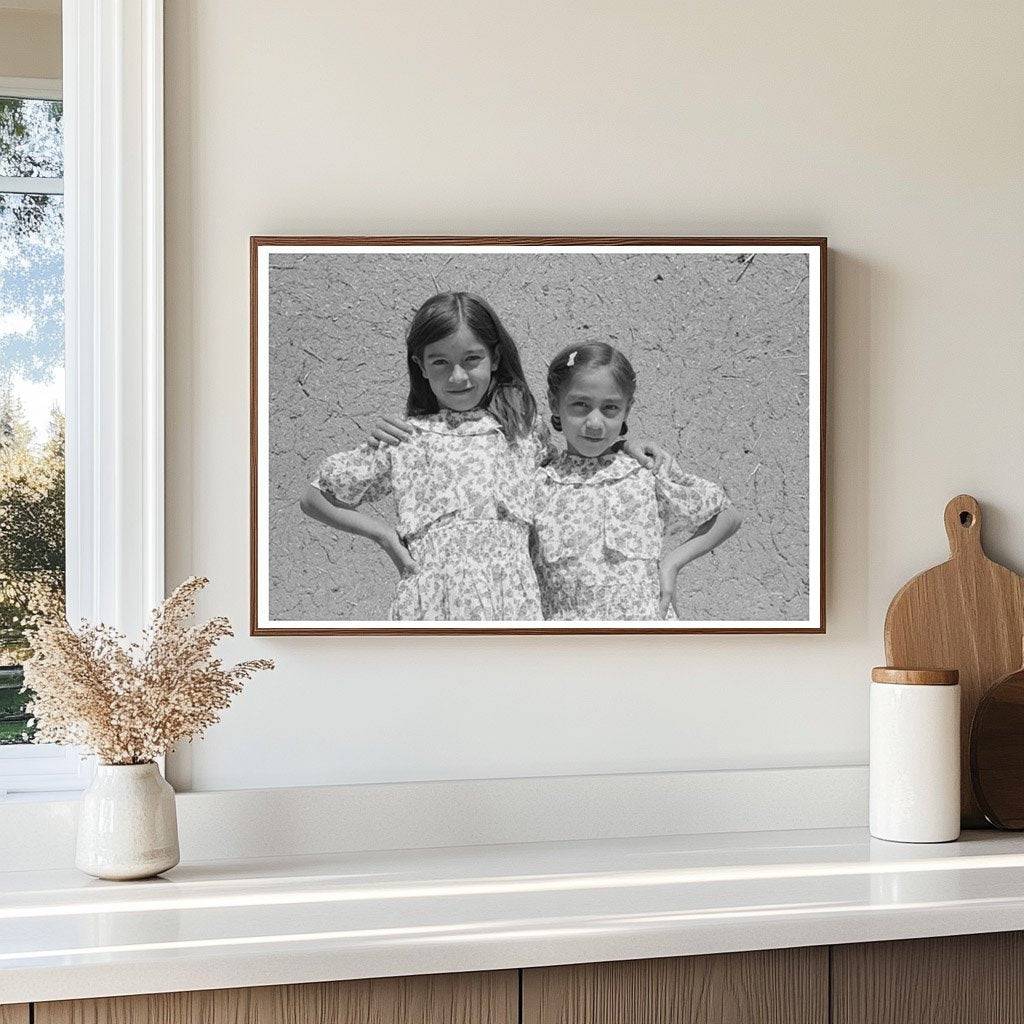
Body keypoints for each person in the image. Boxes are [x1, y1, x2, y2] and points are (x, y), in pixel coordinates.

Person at [299, 291, 546, 621]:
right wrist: (384, 536)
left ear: (495, 358)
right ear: (422, 366)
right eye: (440, 362)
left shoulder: (523, 431)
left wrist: (628, 448)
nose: (457, 376)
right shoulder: (406, 439)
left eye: (472, 359)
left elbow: (576, 471)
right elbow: (314, 499)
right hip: (431, 608)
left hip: (513, 605)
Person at [534, 342, 742, 621]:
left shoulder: (643, 473)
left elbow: (728, 515)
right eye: (580, 405)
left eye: (610, 408)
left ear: (627, 409)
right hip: (572, 649)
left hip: (645, 643)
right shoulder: (539, 484)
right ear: (553, 402)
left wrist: (671, 565)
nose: (594, 422)